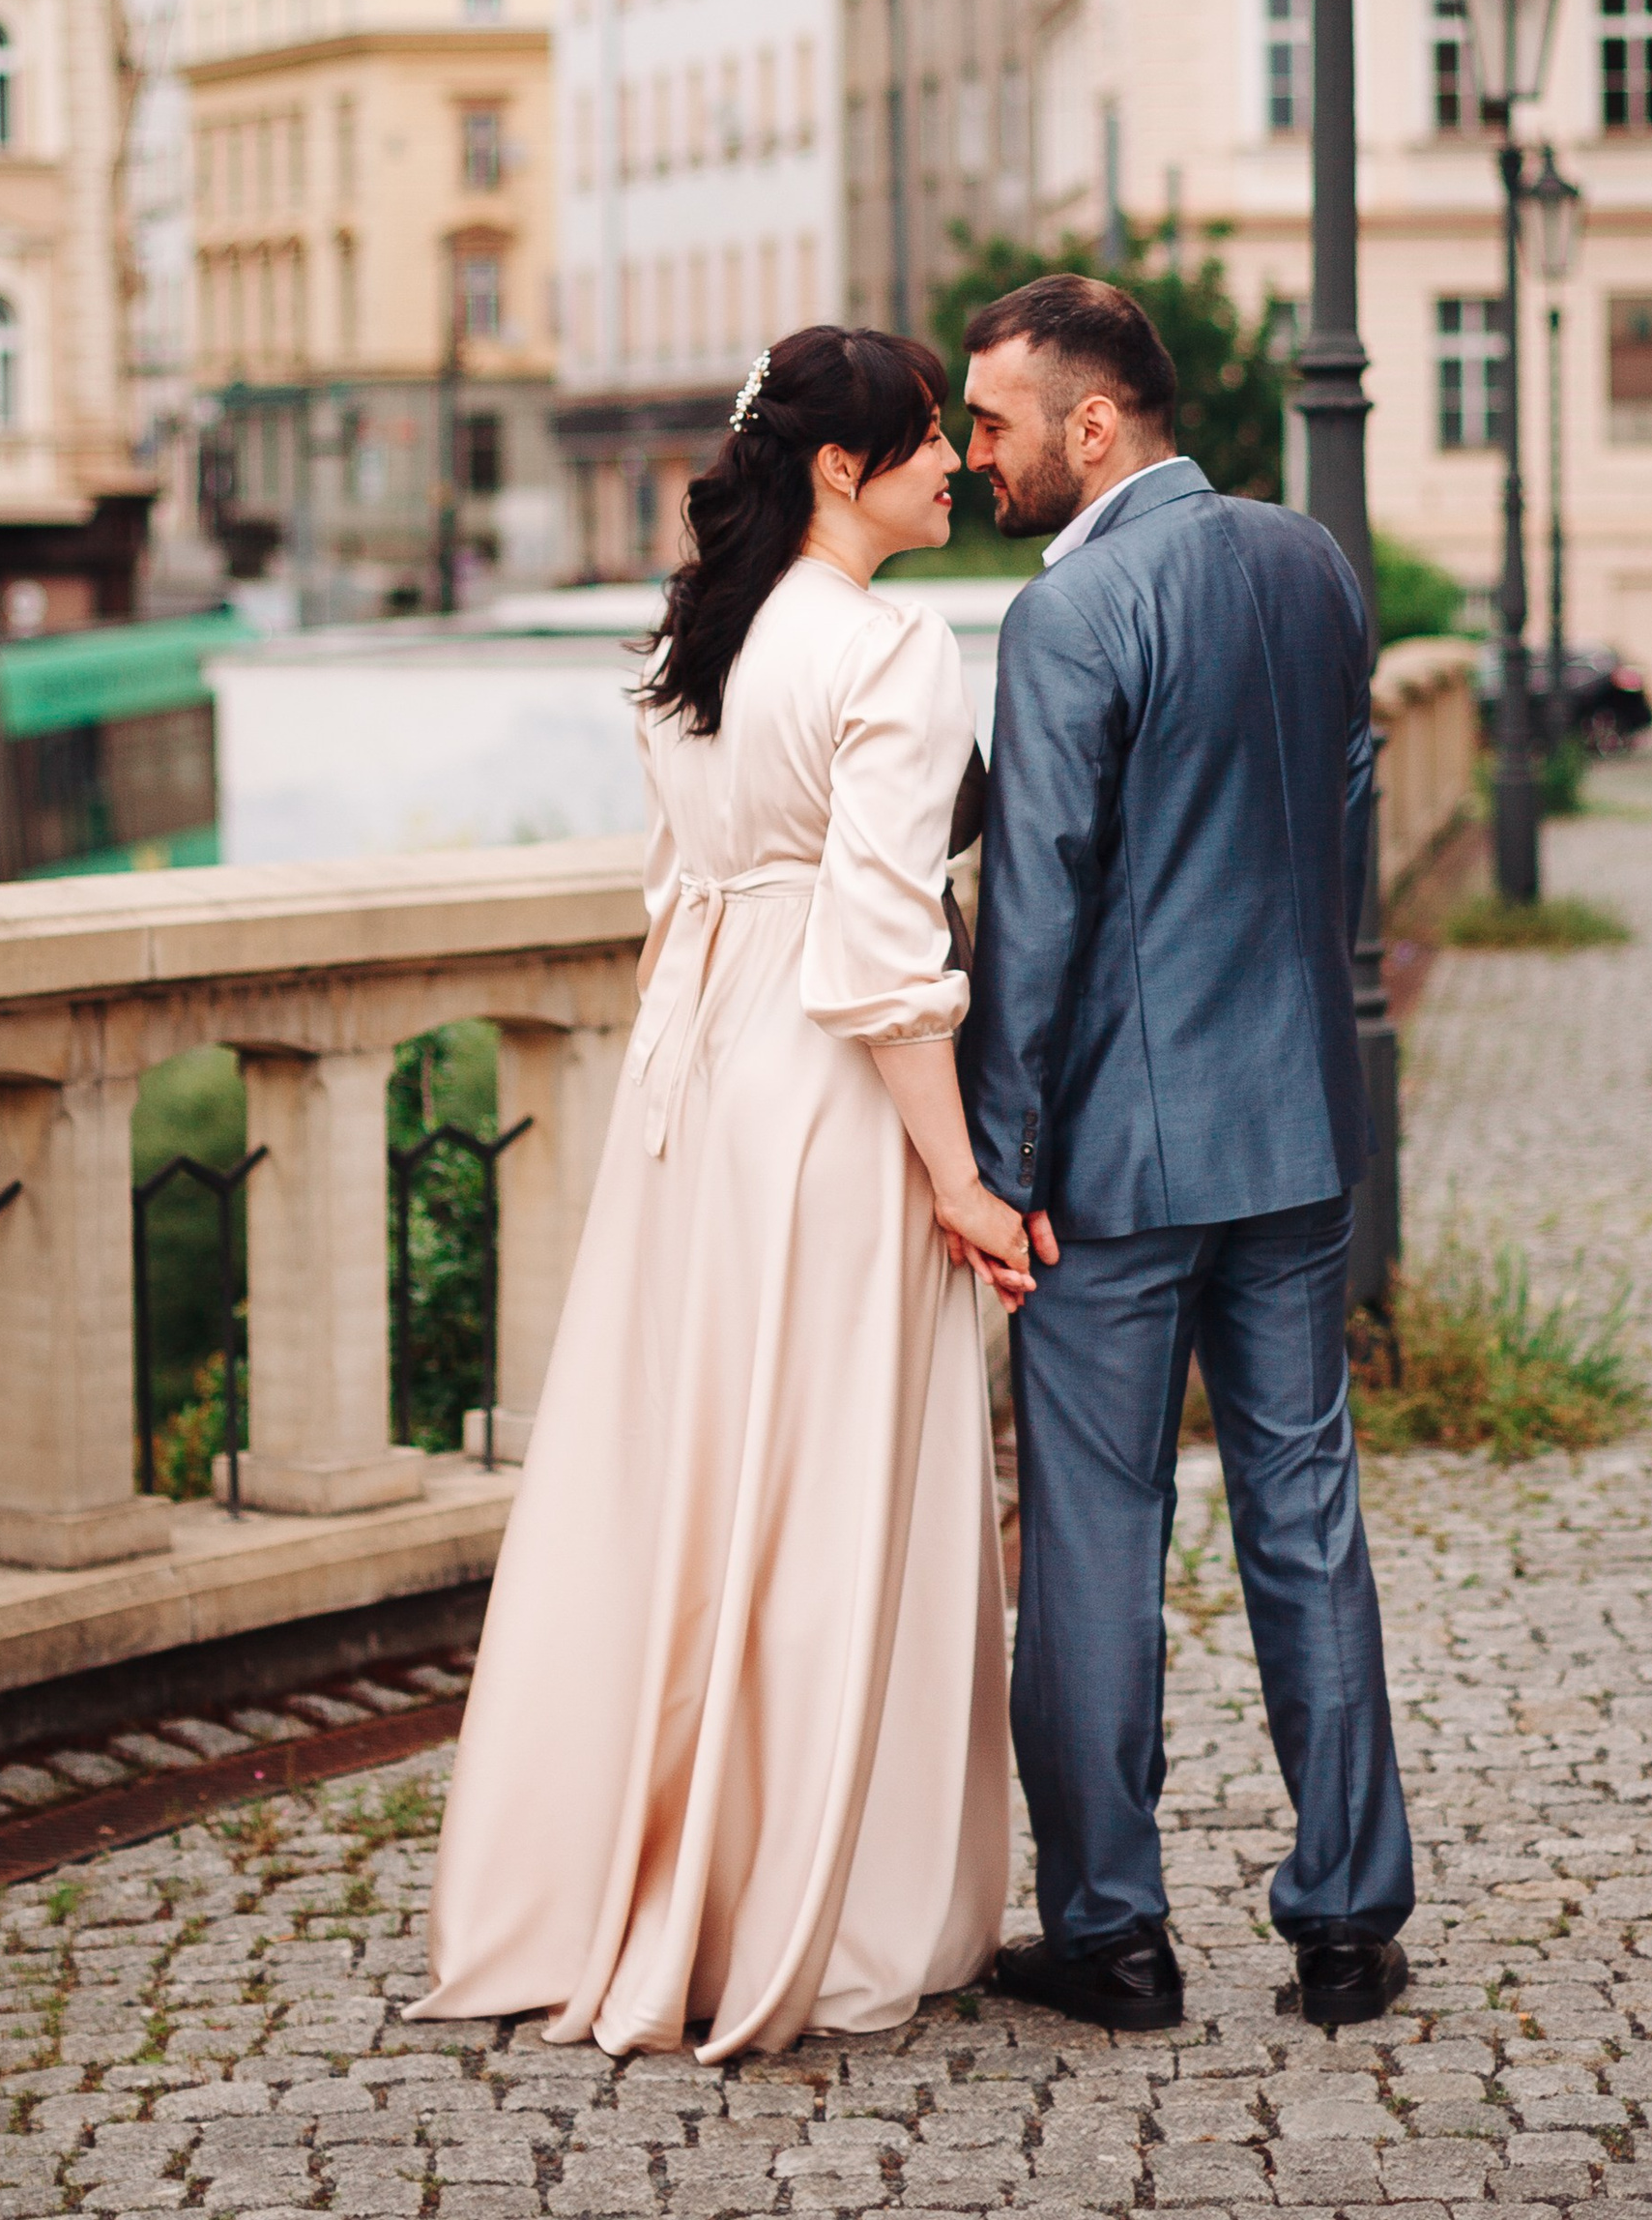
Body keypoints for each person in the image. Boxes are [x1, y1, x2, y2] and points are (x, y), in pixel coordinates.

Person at [411, 326, 1030, 2059]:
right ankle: (811, 1900)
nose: (954, 466)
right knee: (830, 1481)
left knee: (686, 1475)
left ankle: (644, 1870)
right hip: (829, 1094)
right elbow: (889, 957)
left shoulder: (698, 645)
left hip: (699, 1084)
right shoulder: (894, 652)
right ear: (843, 470)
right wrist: (965, 1183)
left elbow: (680, 898)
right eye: (925, 441)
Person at [958, 273, 1414, 2036]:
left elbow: (1037, 924)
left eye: (995, 424)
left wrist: (996, 1169)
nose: (977, 455)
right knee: (1307, 1515)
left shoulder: (1065, 618)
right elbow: (1344, 821)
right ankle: (1352, 1923)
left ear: (1096, 424)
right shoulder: (1310, 564)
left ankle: (1112, 1935)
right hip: (1295, 1129)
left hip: (1117, 1171)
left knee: (1095, 1537)